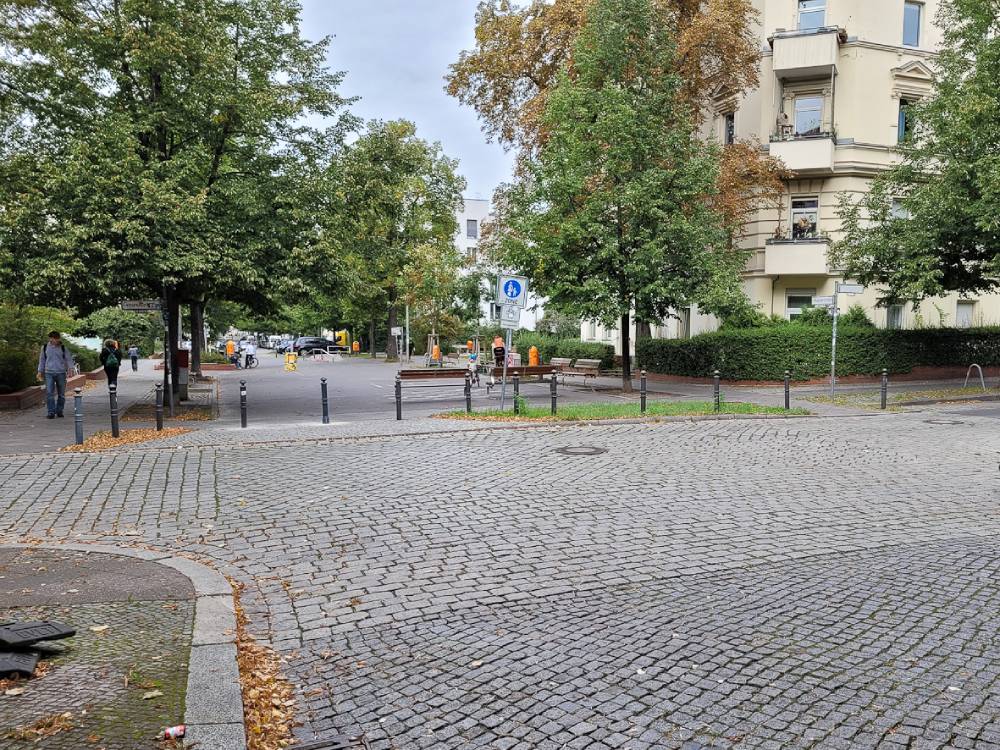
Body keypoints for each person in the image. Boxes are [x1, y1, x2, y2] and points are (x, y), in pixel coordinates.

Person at [36, 331, 75, 419]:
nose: (54, 340)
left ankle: (59, 411)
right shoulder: (45, 347)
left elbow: (69, 359)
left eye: (56, 338)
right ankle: (51, 412)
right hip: (48, 372)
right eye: (52, 338)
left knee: (61, 394)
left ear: (58, 338)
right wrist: (40, 371)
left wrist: (71, 369)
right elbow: (42, 360)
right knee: (49, 393)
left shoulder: (63, 348)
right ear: (50, 338)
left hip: (61, 372)